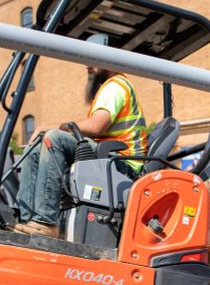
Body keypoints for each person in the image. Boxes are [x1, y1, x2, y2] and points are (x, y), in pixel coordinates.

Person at [12, 34, 148, 238]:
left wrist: (55, 126)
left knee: (54, 138)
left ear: (107, 59)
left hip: (122, 164)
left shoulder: (115, 86)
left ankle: (46, 220)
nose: (87, 66)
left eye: (91, 60)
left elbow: (97, 126)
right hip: (107, 157)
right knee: (37, 145)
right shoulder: (109, 88)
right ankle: (29, 220)